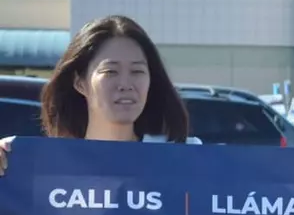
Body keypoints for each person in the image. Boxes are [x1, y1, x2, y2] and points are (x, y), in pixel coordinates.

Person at [0, 14, 197, 176]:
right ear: (80, 83)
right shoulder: (43, 167)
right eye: (110, 72)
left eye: (137, 71)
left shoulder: (183, 159)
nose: (126, 85)